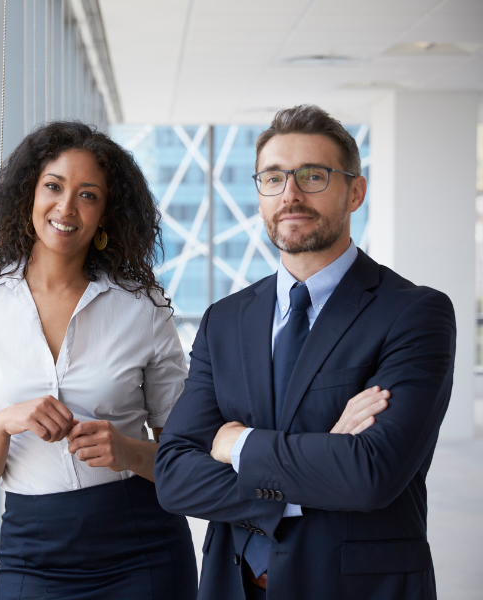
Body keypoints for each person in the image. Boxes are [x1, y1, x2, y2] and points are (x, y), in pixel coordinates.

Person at [154, 105, 455, 600]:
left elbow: (369, 474)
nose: (290, 194)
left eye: (313, 176)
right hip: (235, 585)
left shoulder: (414, 313)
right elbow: (173, 477)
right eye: (274, 178)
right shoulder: (225, 321)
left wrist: (239, 446)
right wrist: (321, 458)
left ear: (355, 192)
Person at [0, 121, 198, 600]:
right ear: (28, 196)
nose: (66, 208)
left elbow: (186, 457)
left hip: (141, 547)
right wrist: (1, 424)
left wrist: (126, 450)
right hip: (32, 552)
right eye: (53, 187)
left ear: (105, 214)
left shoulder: (143, 308)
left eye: (88, 195)